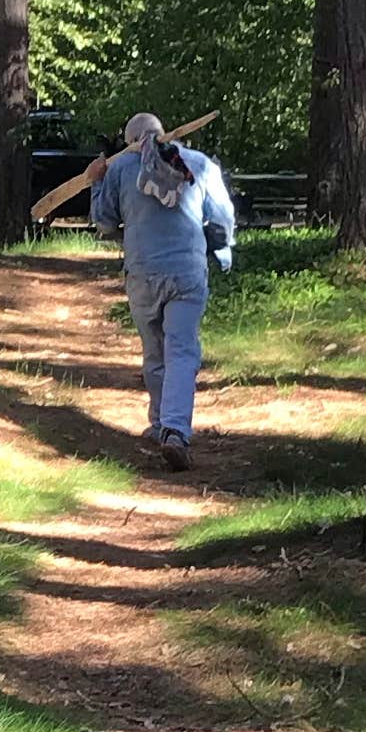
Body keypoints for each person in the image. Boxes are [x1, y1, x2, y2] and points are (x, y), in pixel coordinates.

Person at [90, 110, 235, 469]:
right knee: (182, 351)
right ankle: (173, 429)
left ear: (130, 143)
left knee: (155, 351)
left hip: (143, 273)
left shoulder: (122, 169)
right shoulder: (199, 165)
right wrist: (221, 248)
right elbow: (222, 217)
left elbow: (104, 222)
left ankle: (160, 423)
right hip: (187, 271)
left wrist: (96, 182)